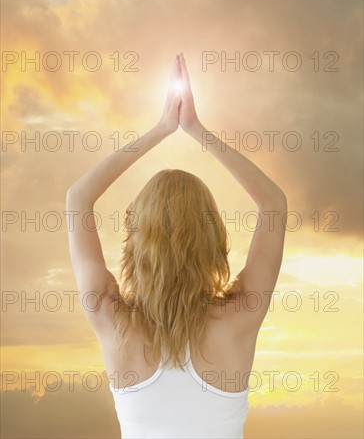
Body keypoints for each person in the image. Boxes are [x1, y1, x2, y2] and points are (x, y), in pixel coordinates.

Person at [66, 53, 287, 439]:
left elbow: (78, 199)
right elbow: (273, 205)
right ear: (213, 238)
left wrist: (162, 129)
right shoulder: (240, 318)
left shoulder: (110, 319)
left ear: (136, 239)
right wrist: (196, 129)